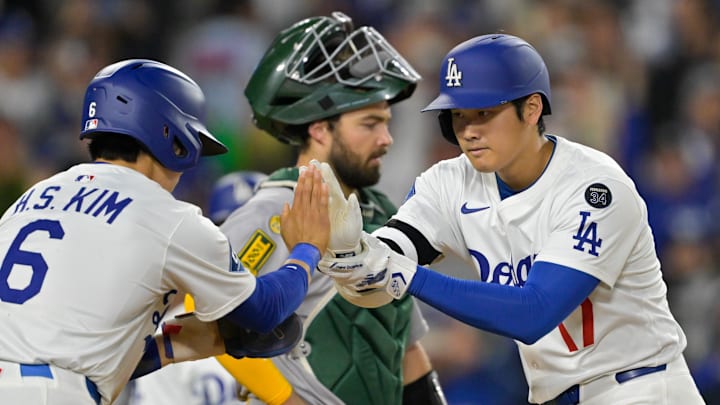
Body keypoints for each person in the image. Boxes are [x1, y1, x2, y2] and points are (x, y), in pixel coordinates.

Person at [318, 34, 707, 405]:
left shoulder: (594, 188)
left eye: (484, 112)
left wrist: (401, 274)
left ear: (532, 108)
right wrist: (355, 257)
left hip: (638, 388)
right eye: (457, 115)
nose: (467, 131)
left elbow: (533, 312)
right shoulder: (449, 180)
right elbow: (386, 264)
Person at [0, 59, 329, 405]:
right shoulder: (168, 216)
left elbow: (75, 347)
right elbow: (264, 310)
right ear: (174, 139)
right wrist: (307, 250)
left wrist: (172, 345)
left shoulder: (34, 196)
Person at [215, 12, 446, 405]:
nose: (386, 138)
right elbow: (212, 322)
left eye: (386, 123)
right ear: (320, 128)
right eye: (369, 124)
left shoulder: (381, 212)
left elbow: (401, 343)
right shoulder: (272, 211)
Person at [121, 170, 270, 405]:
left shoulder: (312, 317)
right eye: (233, 230)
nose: (244, 244)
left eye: (259, 231)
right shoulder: (170, 331)